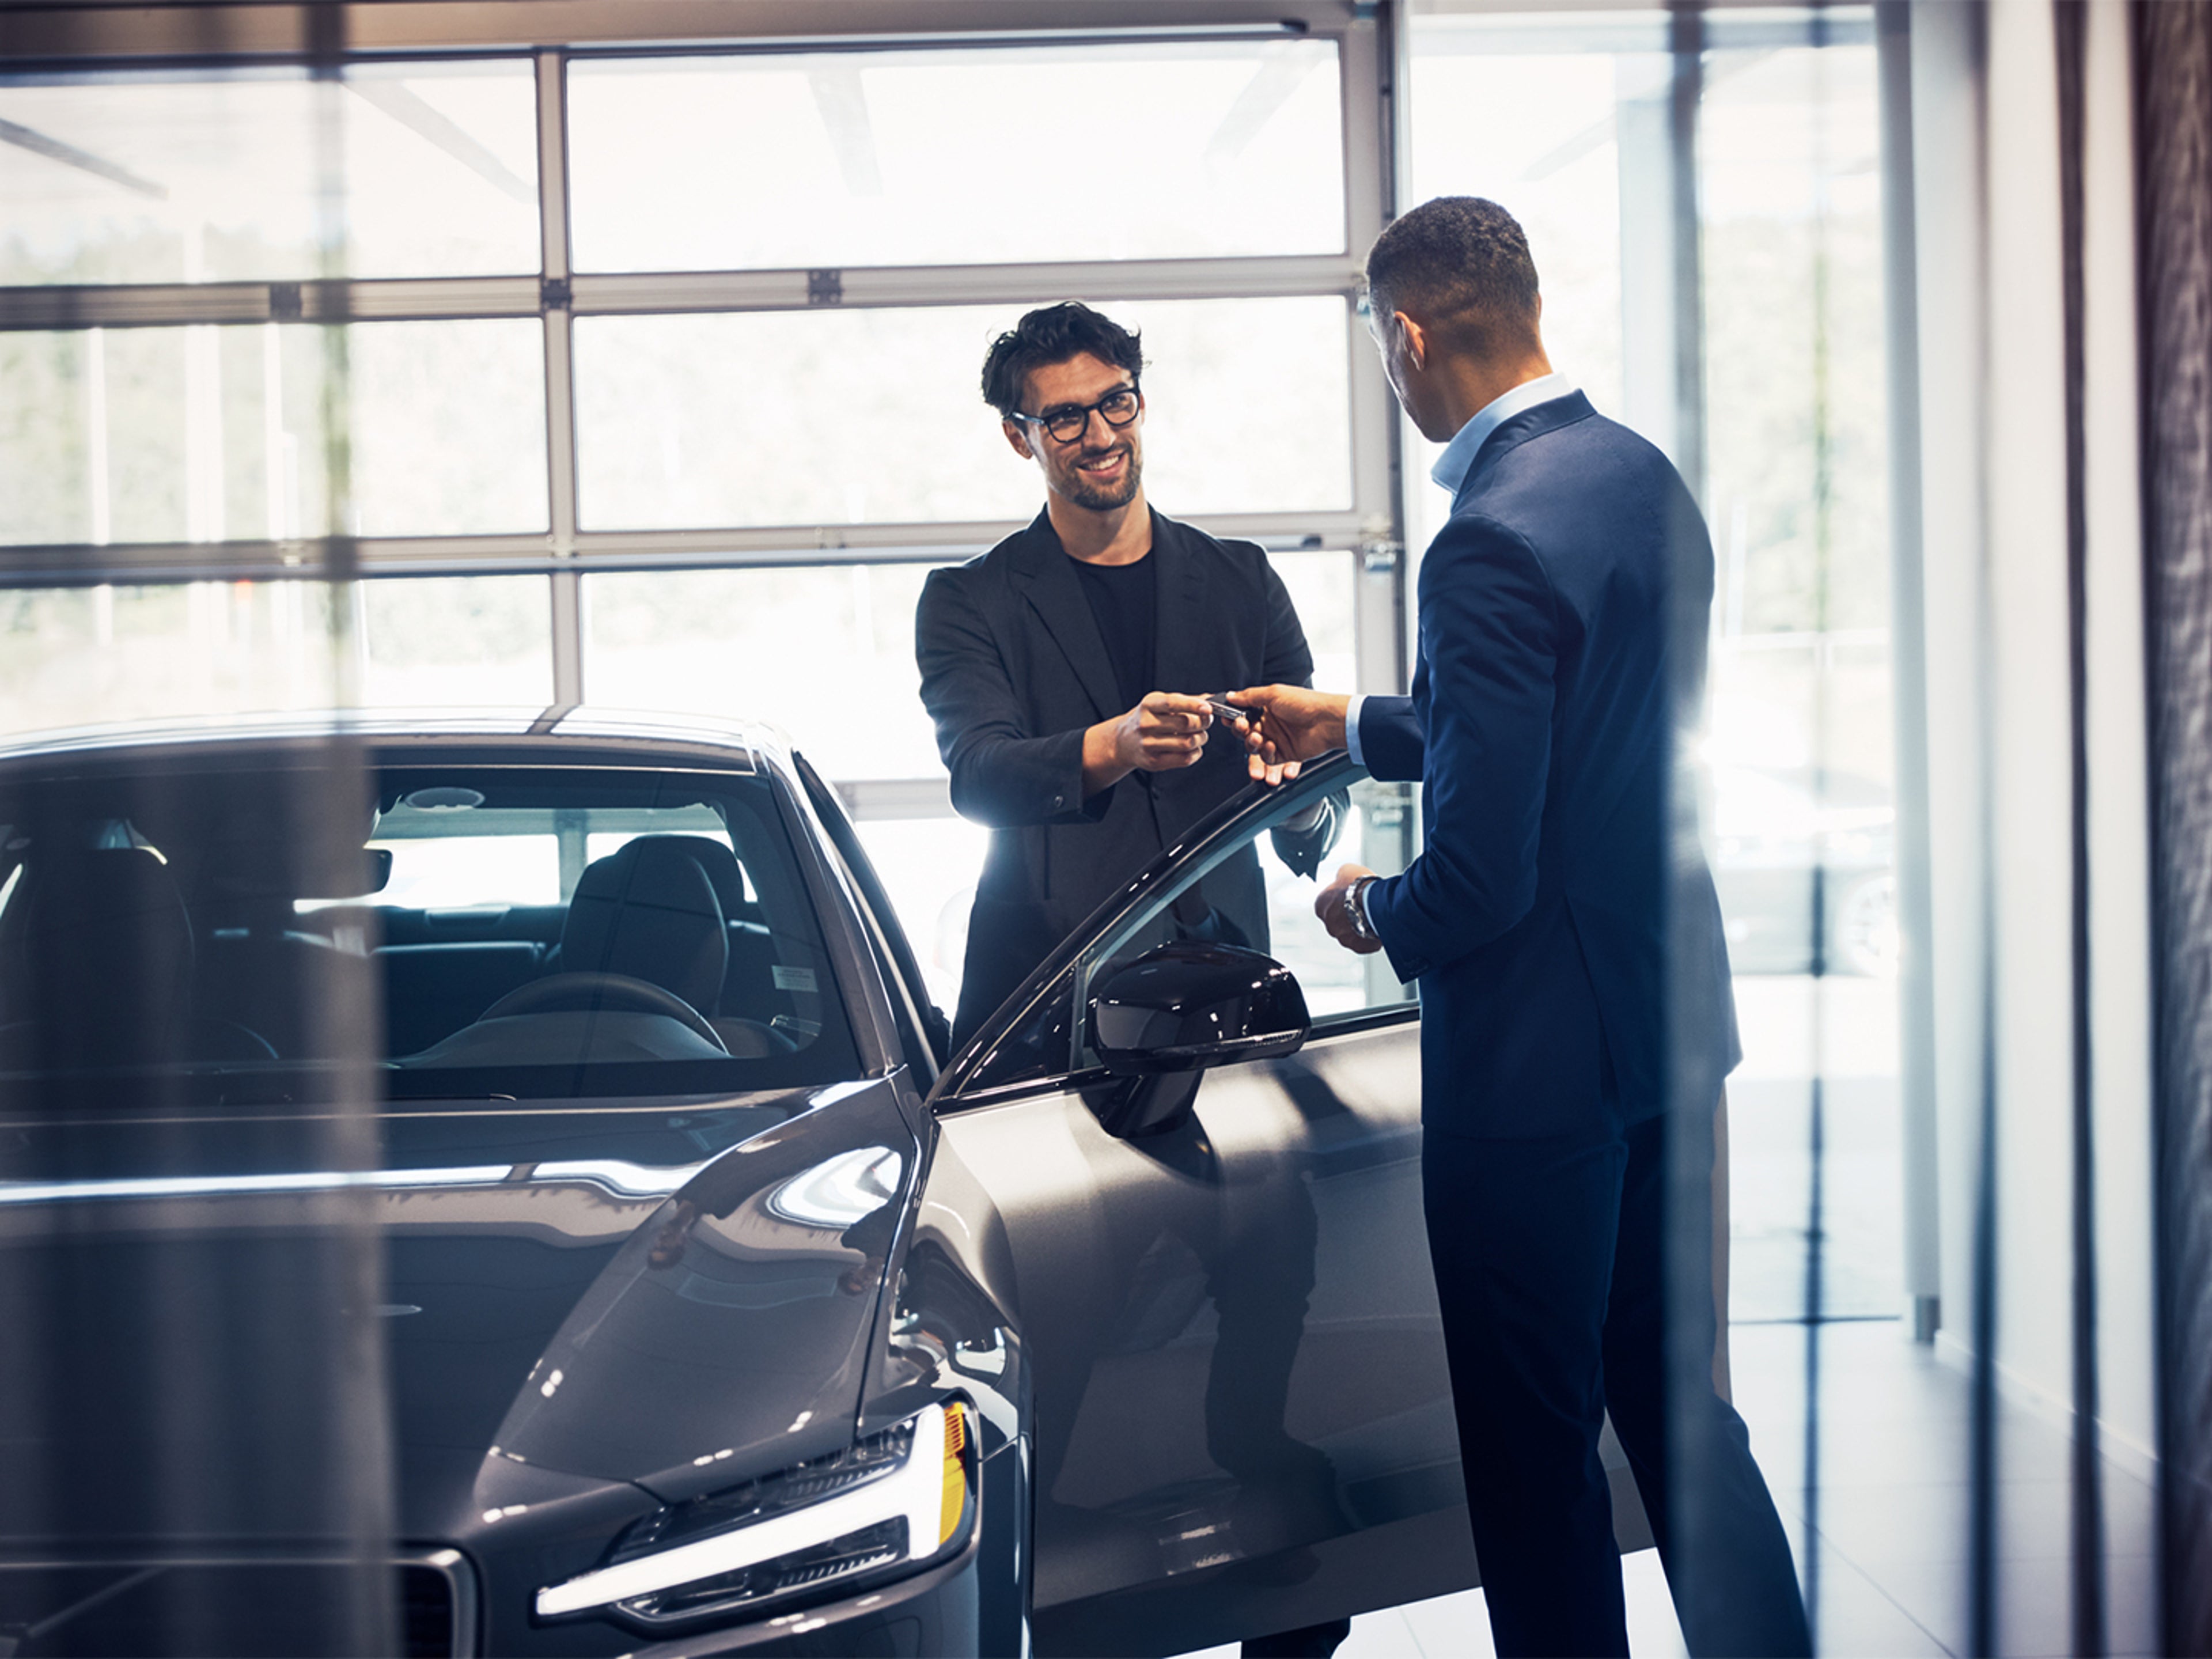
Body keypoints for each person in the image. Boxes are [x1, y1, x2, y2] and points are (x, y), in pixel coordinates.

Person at [1232, 198, 1812, 1658]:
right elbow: (1576, 736)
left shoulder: (1485, 539)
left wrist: (1371, 908)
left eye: (1383, 348)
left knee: (1534, 1453)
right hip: (1665, 1033)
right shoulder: (1639, 481)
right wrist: (1356, 725)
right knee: (1680, 1411)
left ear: (1408, 336)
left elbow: (1481, 873)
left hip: (1534, 1083)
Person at [916, 301, 1340, 1047]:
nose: (1103, 434)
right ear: (1021, 437)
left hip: (1226, 985)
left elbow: (1309, 798)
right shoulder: (968, 598)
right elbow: (980, 779)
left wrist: (1300, 796)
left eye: (1117, 402)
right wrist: (1118, 744)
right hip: (1043, 993)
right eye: (1067, 418)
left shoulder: (1242, 578)